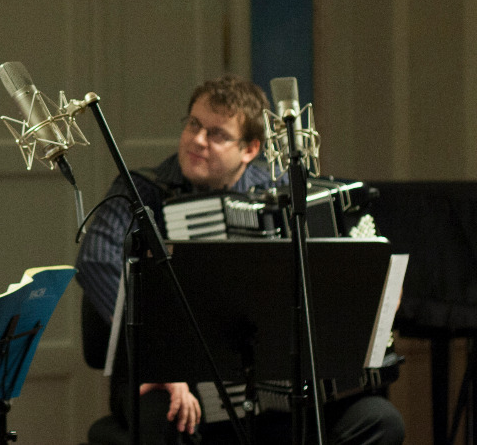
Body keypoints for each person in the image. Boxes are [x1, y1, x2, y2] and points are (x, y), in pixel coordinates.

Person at [75, 74, 405, 444]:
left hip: (274, 392)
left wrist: (378, 292)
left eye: (217, 134)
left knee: (379, 420)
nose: (198, 140)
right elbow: (97, 259)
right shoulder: (143, 191)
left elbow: (351, 275)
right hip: (172, 379)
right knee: (165, 415)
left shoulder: (284, 195)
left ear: (250, 149)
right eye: (194, 124)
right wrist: (162, 353)